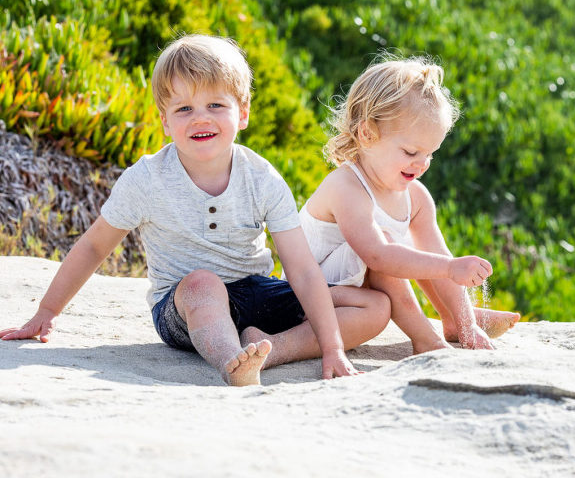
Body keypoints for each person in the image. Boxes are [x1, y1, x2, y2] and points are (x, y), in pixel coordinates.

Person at [0, 34, 391, 386]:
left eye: (215, 104)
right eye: (183, 108)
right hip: (185, 306)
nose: (200, 117)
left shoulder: (262, 178)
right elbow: (93, 247)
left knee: (373, 305)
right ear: (165, 122)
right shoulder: (147, 179)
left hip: (255, 293)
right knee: (204, 283)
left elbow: (302, 270)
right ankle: (230, 360)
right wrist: (46, 312)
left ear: (243, 112)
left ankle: (272, 348)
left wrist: (333, 348)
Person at [291, 55, 520, 354]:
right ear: (367, 134)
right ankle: (425, 338)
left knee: (420, 256)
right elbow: (379, 257)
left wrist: (466, 324)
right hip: (308, 300)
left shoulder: (416, 197)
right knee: (387, 250)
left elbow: (436, 253)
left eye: (431, 153)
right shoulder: (345, 187)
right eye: (412, 151)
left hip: (359, 299)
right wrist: (450, 268)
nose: (422, 164)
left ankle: (457, 320)